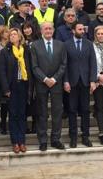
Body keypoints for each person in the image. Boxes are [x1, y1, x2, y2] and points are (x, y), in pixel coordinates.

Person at [30, 22, 67, 151]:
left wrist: (54, 78)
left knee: (57, 112)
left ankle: (56, 139)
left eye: (50, 28)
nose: (48, 31)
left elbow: (63, 64)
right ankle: (43, 140)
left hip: (56, 84)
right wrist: (45, 79)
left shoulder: (60, 45)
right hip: (41, 83)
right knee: (42, 113)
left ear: (54, 30)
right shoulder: (35, 45)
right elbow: (34, 66)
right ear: (41, 31)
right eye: (45, 28)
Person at [63, 22, 97, 148]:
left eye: (83, 29)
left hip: (85, 81)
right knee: (71, 110)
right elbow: (64, 64)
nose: (82, 31)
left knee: (85, 110)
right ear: (73, 30)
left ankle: (85, 136)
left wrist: (93, 80)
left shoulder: (89, 43)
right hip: (71, 82)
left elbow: (93, 62)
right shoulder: (66, 44)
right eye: (79, 29)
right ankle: (73, 137)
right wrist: (65, 80)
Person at [0, 28, 30, 153]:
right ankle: (15, 142)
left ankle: (22, 141)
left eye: (14, 34)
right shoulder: (5, 51)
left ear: (19, 36)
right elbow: (2, 72)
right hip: (12, 87)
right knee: (13, 114)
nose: (12, 36)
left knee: (22, 114)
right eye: (10, 35)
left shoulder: (25, 50)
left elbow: (29, 68)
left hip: (23, 85)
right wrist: (6, 89)